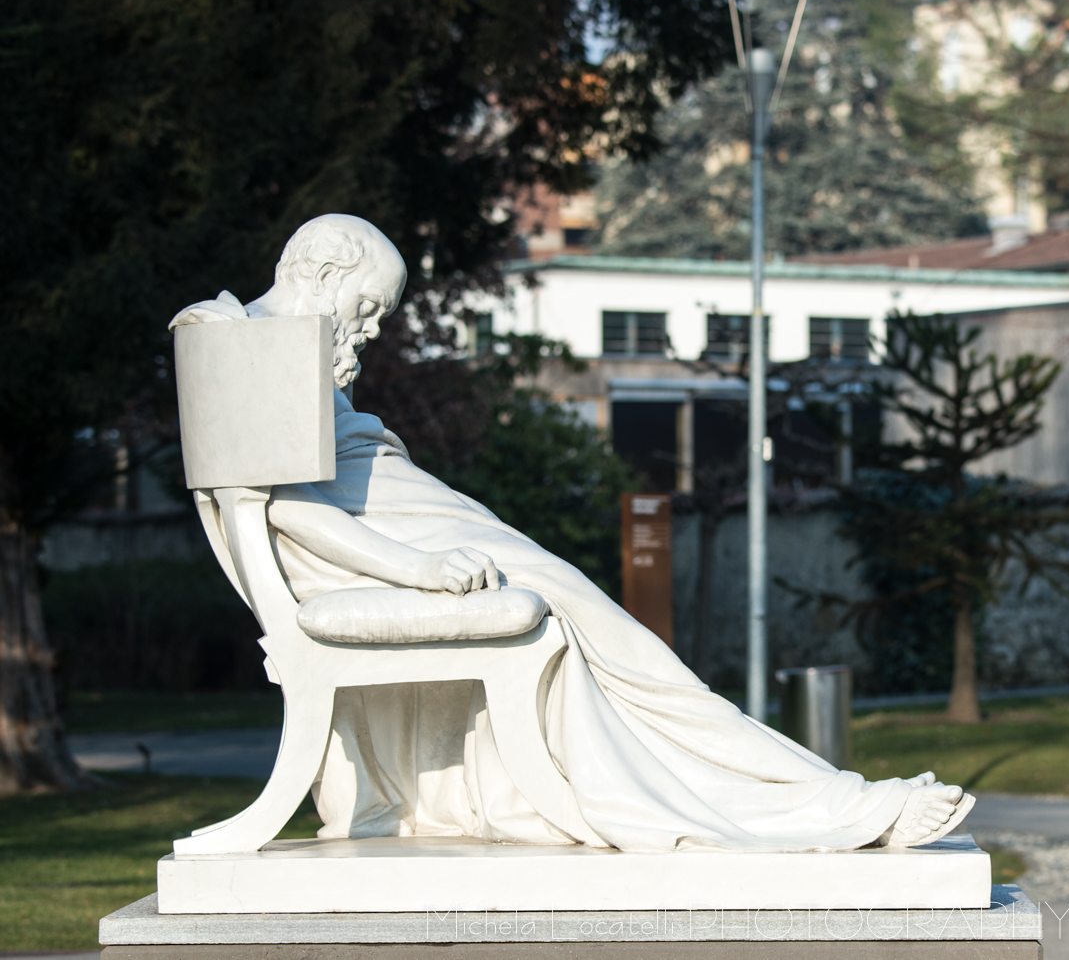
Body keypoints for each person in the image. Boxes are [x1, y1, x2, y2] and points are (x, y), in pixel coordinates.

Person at [169, 214, 974, 854]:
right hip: (396, 549)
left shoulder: (271, 343)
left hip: (417, 531)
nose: (373, 329)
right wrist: (416, 568)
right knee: (615, 641)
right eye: (368, 307)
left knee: (625, 650)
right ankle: (817, 805)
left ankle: (816, 797)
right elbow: (284, 509)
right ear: (321, 273)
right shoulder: (239, 338)